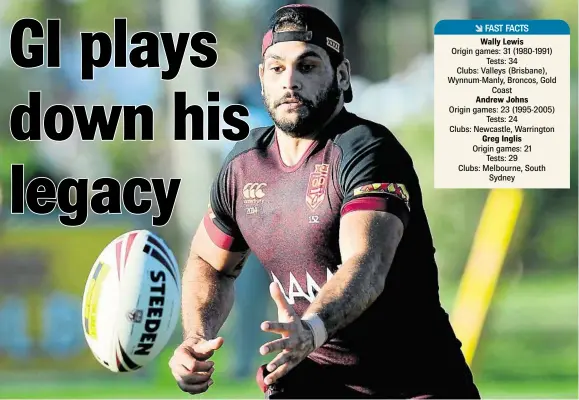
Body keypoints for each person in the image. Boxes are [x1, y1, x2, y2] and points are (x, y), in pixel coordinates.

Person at [168, 4, 480, 399]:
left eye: (308, 66)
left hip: (413, 384)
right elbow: (210, 264)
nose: (290, 81)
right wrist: (196, 338)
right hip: (314, 382)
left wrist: (311, 330)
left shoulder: (368, 151)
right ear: (262, 78)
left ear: (342, 75)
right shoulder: (244, 166)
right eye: (277, 68)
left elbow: (367, 264)